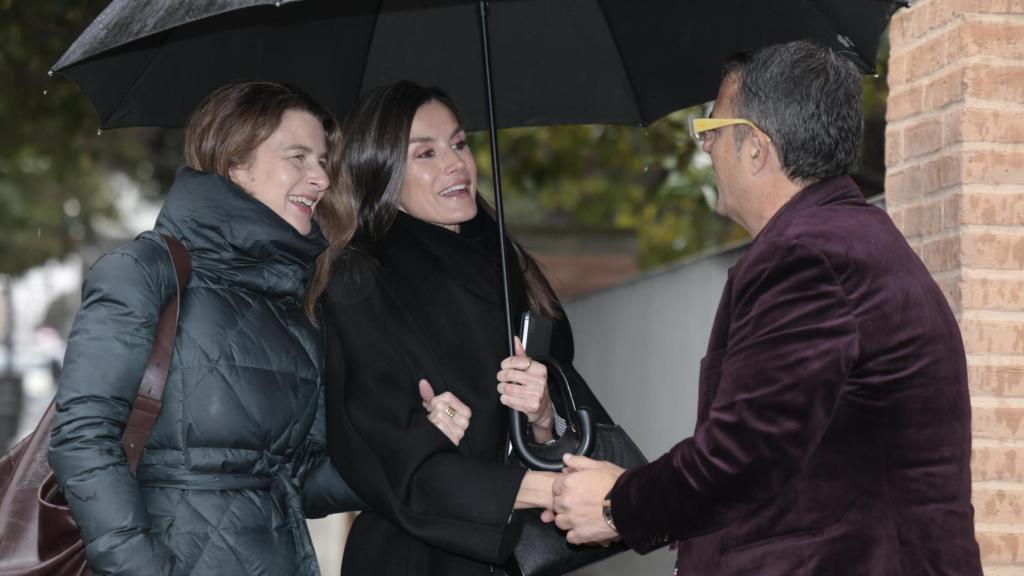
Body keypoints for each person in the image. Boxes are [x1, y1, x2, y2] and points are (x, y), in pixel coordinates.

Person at [549, 40, 984, 575]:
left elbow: (741, 455)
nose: (705, 149)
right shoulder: (841, 241)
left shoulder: (809, 257)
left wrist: (618, 504)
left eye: (710, 130)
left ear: (755, 148)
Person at [47, 81, 463, 576]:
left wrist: (409, 442)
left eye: (323, 160)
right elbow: (82, 437)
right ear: (236, 163)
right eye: (299, 157)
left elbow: (300, 483)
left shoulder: (298, 304)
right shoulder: (146, 271)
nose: (321, 178)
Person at [311, 81, 609, 575]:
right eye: (424, 153)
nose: (454, 164)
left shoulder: (504, 265)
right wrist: (549, 488)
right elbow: (383, 448)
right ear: (382, 173)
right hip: (418, 556)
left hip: (520, 551)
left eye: (458, 143)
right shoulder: (359, 279)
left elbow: (561, 394)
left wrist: (543, 413)